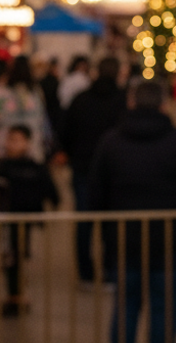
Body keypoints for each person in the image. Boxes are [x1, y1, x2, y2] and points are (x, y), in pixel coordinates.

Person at [90, 79, 176, 343]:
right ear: (164, 105)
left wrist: (104, 233)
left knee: (124, 310)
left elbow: (95, 194)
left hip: (124, 241)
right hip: (170, 242)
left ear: (131, 102)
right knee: (165, 315)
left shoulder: (110, 143)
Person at [60, 55, 126, 282]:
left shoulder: (81, 100)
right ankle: (110, 270)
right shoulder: (123, 101)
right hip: (115, 171)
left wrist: (72, 154)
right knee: (112, 221)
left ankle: (85, 273)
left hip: (83, 167)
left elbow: (66, 130)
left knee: (84, 219)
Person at [0, 124, 60, 316]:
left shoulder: (36, 168)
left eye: (17, 140)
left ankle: (18, 295)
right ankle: (14, 295)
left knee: (20, 259)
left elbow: (51, 191)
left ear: (27, 143)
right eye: (10, 140)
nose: (12, 144)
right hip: (8, 222)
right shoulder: (2, 167)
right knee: (11, 259)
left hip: (30, 223)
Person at [0, 54, 50, 160]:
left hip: (3, 147)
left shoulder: (0, 93)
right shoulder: (35, 93)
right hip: (32, 148)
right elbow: (42, 120)